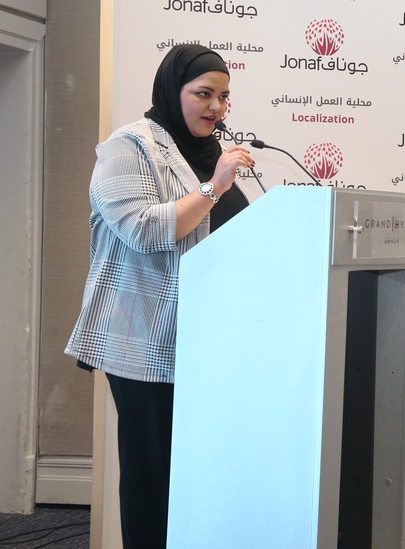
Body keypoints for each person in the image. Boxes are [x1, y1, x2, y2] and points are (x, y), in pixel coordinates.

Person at [65, 44, 255, 549]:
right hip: (145, 336)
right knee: (153, 473)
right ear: (173, 91)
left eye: (224, 97)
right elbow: (143, 230)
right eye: (204, 94)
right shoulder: (129, 147)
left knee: (200, 472)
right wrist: (214, 187)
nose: (216, 107)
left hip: (211, 339)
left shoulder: (212, 154)